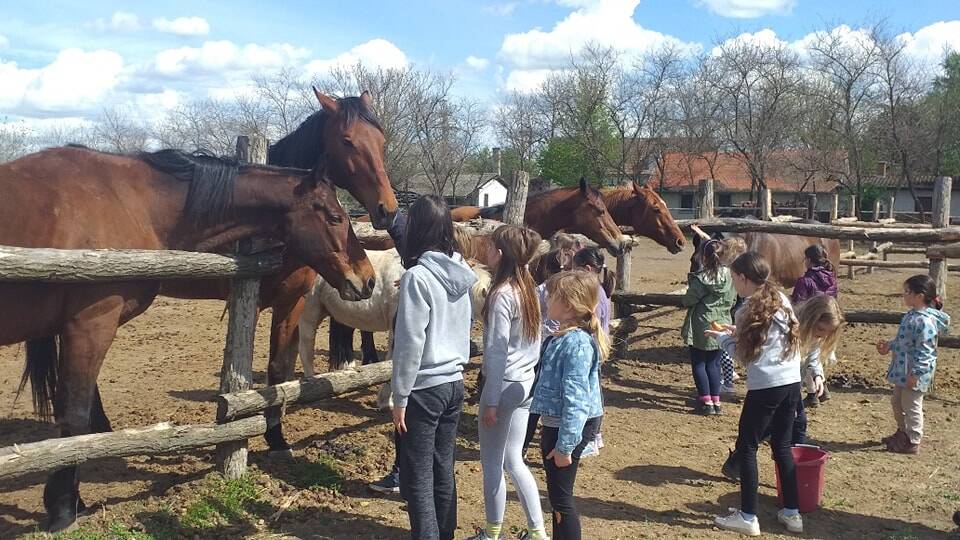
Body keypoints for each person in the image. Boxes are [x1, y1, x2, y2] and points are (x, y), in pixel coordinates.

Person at [391, 195, 477, 540]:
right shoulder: (460, 271)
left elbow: (410, 343)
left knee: (417, 474)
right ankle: (445, 533)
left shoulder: (418, 278)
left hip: (424, 387)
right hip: (454, 383)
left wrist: (399, 396)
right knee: (443, 466)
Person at [705, 252, 804, 536]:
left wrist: (723, 338)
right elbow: (768, 334)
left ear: (744, 278)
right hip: (791, 383)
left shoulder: (746, 309)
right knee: (782, 447)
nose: (733, 283)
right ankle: (791, 513)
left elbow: (744, 356)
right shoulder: (780, 299)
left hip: (766, 386)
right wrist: (737, 331)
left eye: (734, 278)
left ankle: (748, 516)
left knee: (747, 447)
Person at [469, 225, 548, 540]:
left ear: (499, 254)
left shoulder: (502, 294)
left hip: (502, 385)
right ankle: (538, 531)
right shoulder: (528, 287)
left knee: (492, 464)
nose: (485, 251)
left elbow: (497, 351)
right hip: (524, 383)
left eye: (489, 247)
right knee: (514, 460)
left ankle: (492, 533)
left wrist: (489, 401)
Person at [721, 294, 845, 482]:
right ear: (811, 319)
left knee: (793, 425)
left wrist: (818, 375)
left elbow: (813, 355)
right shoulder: (789, 328)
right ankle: (781, 469)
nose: (823, 335)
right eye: (820, 329)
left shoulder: (813, 335)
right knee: (775, 427)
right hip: (773, 385)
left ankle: (791, 469)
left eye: (827, 332)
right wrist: (738, 334)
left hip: (791, 388)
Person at [530, 270, 608, 540]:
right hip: (557, 426)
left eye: (551, 296)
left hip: (566, 429)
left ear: (568, 305)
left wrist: (565, 447)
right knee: (556, 499)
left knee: (561, 500)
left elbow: (577, 401)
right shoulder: (561, 338)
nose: (546, 300)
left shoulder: (575, 344)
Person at [877, 274, 950, 455]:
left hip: (913, 373)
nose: (904, 295)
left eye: (907, 292)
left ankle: (913, 440)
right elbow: (905, 341)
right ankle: (903, 432)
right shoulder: (911, 315)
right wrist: (889, 346)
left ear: (920, 295)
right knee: (897, 402)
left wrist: (916, 374)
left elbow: (926, 351)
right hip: (903, 369)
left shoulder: (925, 321)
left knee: (911, 405)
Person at [681, 238, 737, 415]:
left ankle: (705, 401)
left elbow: (689, 300)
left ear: (704, 258)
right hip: (722, 322)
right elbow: (734, 299)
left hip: (702, 323)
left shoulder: (701, 279)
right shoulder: (730, 276)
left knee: (699, 363)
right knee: (714, 364)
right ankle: (716, 400)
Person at [790, 243, 839, 408]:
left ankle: (812, 392)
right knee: (814, 356)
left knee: (803, 357)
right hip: (826, 321)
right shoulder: (832, 278)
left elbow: (797, 302)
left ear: (808, 260)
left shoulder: (805, 281)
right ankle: (818, 388)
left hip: (809, 324)